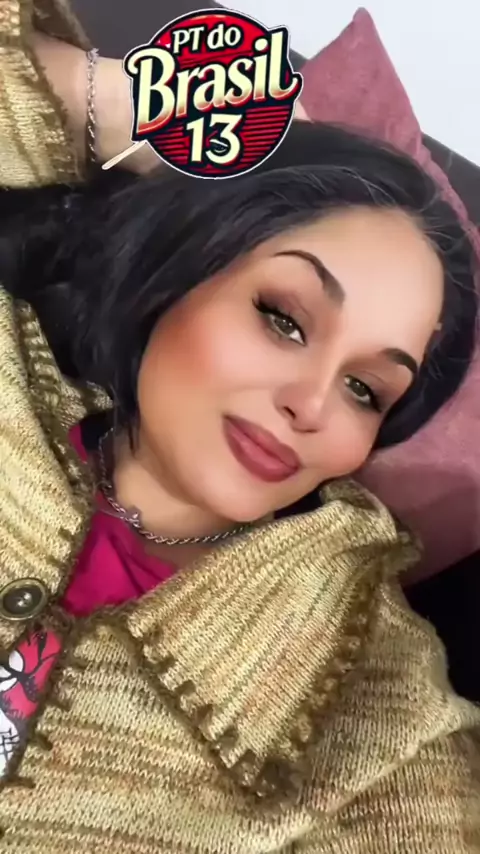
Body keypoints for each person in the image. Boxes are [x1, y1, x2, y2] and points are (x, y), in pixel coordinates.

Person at [0, 3, 479, 852]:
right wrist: (138, 109)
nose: (312, 405)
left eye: (366, 390)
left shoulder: (376, 698)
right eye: (284, 319)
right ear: (181, 269)